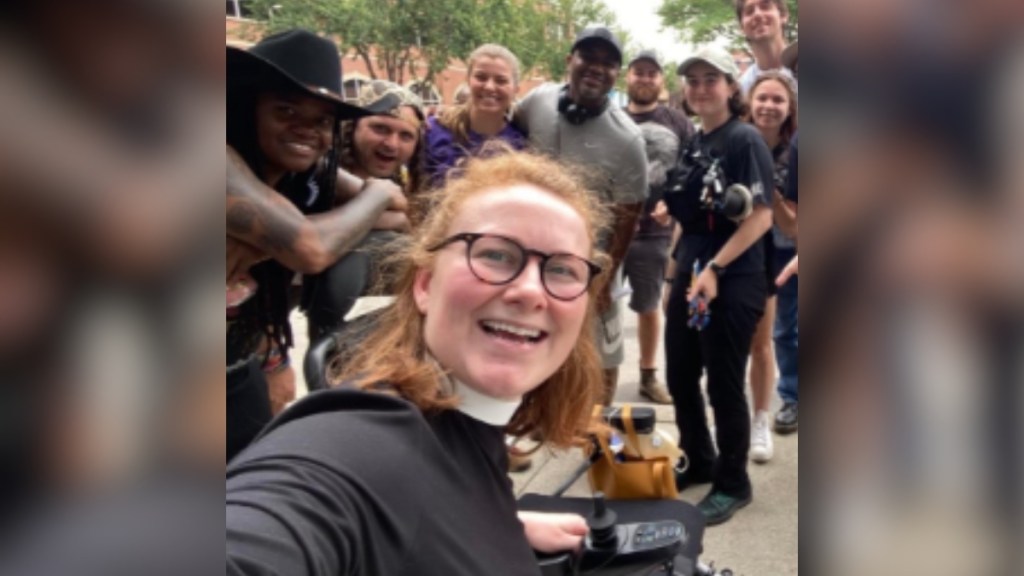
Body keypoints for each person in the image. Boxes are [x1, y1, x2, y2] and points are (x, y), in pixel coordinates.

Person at [227, 151, 611, 575]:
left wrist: (495, 523)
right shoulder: (359, 442)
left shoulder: (467, 421)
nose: (530, 291)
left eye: (561, 270)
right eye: (496, 255)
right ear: (425, 285)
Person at [225, 29, 408, 462]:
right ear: (249, 107)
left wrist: (266, 242)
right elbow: (311, 249)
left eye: (322, 120)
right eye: (286, 110)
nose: (306, 129)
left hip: (236, 363)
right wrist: (375, 194)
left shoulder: (305, 174)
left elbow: (400, 212)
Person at [662, 46, 774, 525]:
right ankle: (699, 458)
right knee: (680, 374)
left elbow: (763, 217)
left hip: (733, 277)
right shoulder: (694, 142)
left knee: (723, 384)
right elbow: (686, 218)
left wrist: (716, 270)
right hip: (691, 272)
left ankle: (733, 482)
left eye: (712, 78)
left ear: (732, 88)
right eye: (693, 80)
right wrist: (674, 273)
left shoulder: (744, 139)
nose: (702, 87)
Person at [515, 26, 648, 406]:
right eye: (588, 57)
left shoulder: (627, 141)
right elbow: (512, 132)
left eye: (608, 63)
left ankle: (601, 435)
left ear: (616, 75)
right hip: (531, 253)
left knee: (602, 353)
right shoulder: (537, 101)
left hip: (589, 262)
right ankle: (526, 422)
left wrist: (605, 278)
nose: (596, 67)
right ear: (569, 60)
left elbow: (628, 216)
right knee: (527, 335)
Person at [300, 80, 425, 342]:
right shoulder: (313, 171)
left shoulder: (402, 183)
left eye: (406, 136)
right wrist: (393, 217)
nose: (392, 144)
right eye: (380, 128)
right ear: (352, 127)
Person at [623, 49, 695, 405]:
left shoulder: (678, 121)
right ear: (628, 76)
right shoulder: (611, 117)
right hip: (607, 232)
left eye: (652, 73)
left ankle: (648, 376)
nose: (645, 78)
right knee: (593, 310)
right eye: (639, 72)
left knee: (648, 306)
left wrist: (674, 202)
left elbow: (689, 170)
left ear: (661, 81)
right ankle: (587, 378)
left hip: (655, 234)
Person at [743, 71, 798, 461]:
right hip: (742, 250)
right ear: (749, 101)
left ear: (790, 108)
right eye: (762, 98)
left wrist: (772, 195)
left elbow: (794, 223)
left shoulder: (798, 150)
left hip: (784, 250)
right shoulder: (736, 142)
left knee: (783, 329)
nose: (768, 106)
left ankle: (782, 402)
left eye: (778, 100)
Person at [425, 44, 528, 187]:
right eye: (481, 77)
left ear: (516, 89)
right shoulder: (434, 130)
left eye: (501, 80)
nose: (489, 86)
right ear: (468, 80)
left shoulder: (521, 146)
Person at [734, 0, 796, 94]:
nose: (757, 14)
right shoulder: (743, 90)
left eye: (765, 7)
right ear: (741, 28)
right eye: (749, 11)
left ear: (783, 15)